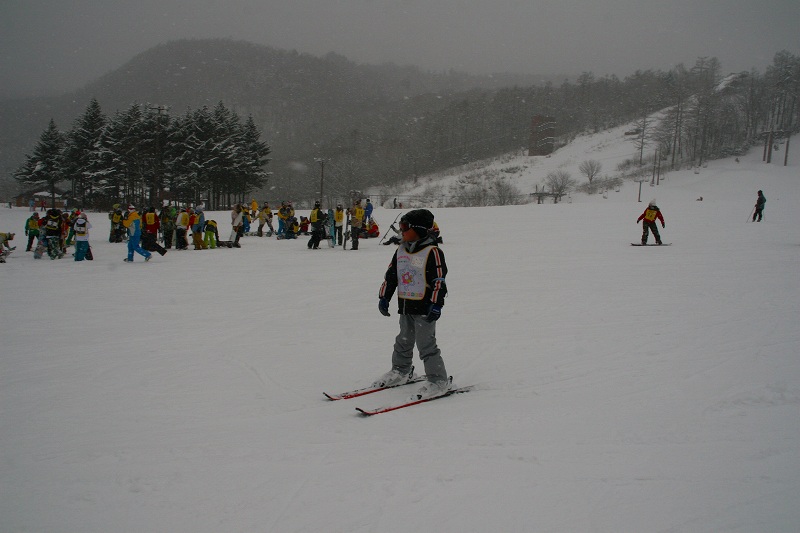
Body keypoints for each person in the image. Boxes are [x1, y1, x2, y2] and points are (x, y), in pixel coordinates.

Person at [375, 209, 450, 400]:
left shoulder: (433, 252)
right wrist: (384, 297)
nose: (401, 231)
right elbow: (391, 276)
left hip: (425, 307)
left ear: (418, 229)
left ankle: (438, 379)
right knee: (403, 340)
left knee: (426, 344)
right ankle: (401, 370)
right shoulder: (400, 250)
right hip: (406, 304)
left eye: (405, 227)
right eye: (400, 227)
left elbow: (439, 281)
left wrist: (436, 304)